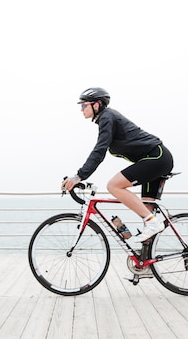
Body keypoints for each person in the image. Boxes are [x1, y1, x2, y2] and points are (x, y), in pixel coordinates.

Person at [61, 87, 174, 243]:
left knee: (114, 186)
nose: (81, 109)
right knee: (147, 220)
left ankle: (154, 224)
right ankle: (144, 262)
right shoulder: (108, 118)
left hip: (157, 158)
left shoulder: (107, 117)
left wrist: (79, 176)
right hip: (155, 160)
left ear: (96, 105)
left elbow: (99, 150)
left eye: (83, 105)